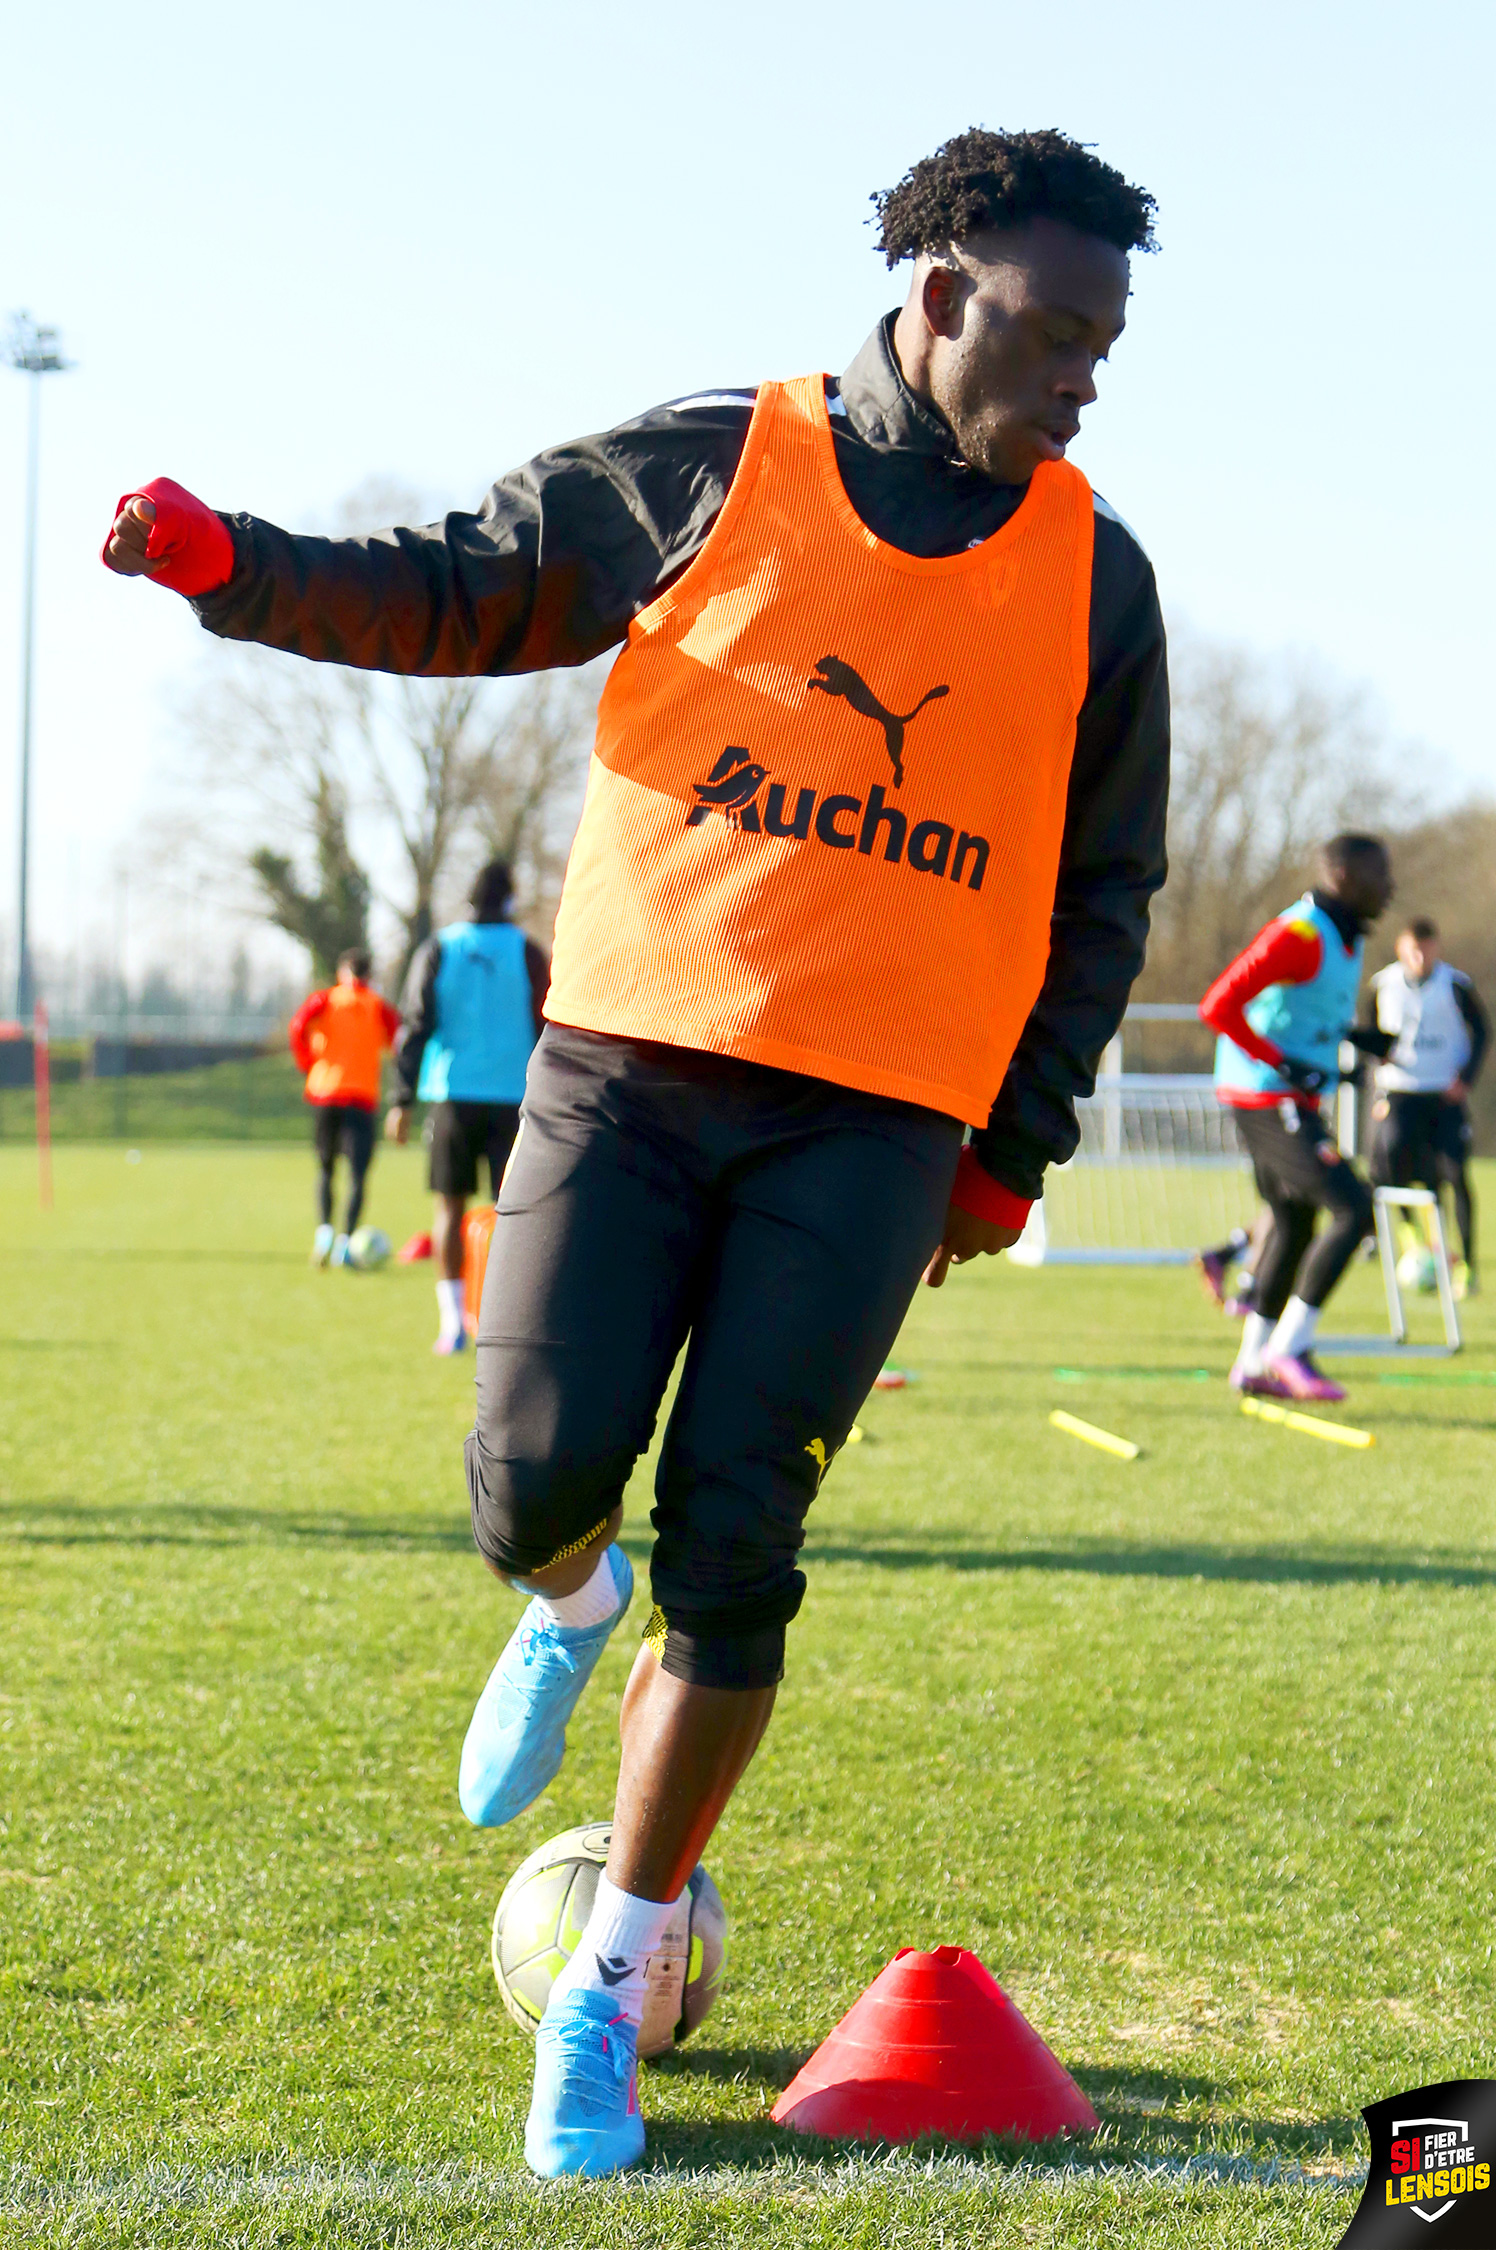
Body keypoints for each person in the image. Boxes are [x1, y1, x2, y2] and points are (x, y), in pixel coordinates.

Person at [102, 126, 1169, 2179]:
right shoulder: (719, 460)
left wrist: (1010, 1156)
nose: (1084, 380)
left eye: (1110, 346)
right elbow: (464, 590)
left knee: (742, 1539)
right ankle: (562, 1604)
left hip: (874, 1133)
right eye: (1055, 333)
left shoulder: (1099, 576)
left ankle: (614, 1978)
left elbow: (1098, 886)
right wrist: (239, 566)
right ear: (942, 296)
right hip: (631, 1070)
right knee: (523, 1487)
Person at [1201, 836, 1394, 1402]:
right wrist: (1284, 1064)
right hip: (1264, 1095)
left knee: (1292, 1222)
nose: (1391, 886)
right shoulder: (1300, 934)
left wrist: (1358, 1039)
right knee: (1353, 1208)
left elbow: (1299, 1011)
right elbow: (1219, 1004)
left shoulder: (1342, 936)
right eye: (1381, 873)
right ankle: (1287, 1349)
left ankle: (1252, 1364)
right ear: (1343, 876)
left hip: (1285, 1096)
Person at [386, 859, 550, 1352]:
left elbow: (415, 1023)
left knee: (448, 1209)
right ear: (510, 898)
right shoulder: (527, 951)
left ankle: (453, 1324)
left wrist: (400, 1098)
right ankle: (509, 1324)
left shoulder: (441, 947)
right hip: (517, 1101)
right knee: (515, 1214)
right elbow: (549, 1025)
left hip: (452, 1095)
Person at [1365, 917, 1489, 1296]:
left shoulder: (1454, 985)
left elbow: (1483, 1030)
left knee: (1454, 1174)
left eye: (1426, 948)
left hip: (1443, 1094)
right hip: (1401, 1092)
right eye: (1412, 949)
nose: (1419, 956)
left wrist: (1465, 1077)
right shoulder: (1382, 985)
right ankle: (1411, 1237)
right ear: (1401, 948)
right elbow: (1366, 1032)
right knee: (1388, 1158)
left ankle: (1466, 1265)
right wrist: (1377, 1064)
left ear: (1436, 947)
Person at [287, 948, 401, 1265]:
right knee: (358, 1174)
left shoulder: (325, 999)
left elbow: (297, 1026)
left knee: (325, 1167)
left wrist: (308, 1062)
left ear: (342, 973)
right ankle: (345, 1241)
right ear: (370, 976)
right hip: (362, 1097)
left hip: (326, 1093)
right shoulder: (379, 1006)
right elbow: (400, 1041)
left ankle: (323, 1231)